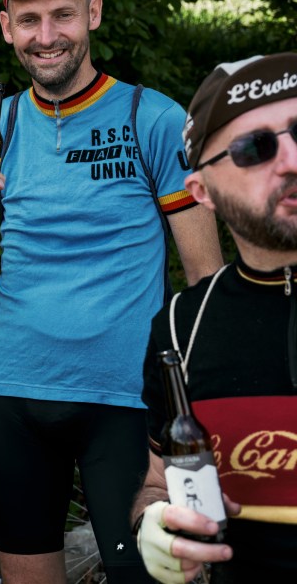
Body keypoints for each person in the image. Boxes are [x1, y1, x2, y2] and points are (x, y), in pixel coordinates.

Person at [0, 0, 224, 583]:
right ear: (6, 28)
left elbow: (206, 284)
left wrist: (199, 406)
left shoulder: (155, 118)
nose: (46, 36)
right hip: (13, 396)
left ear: (94, 13)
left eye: (62, 15)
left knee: (150, 576)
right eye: (28, 21)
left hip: (126, 402)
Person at [132, 52, 297, 583]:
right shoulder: (182, 326)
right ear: (201, 192)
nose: (292, 159)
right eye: (255, 148)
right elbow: (158, 482)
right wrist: (154, 524)